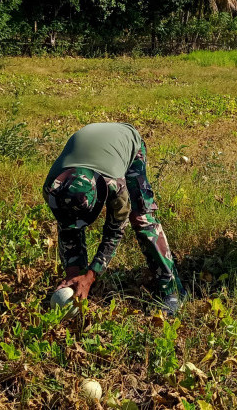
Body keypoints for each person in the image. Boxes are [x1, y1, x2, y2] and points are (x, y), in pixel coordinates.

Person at [43, 122, 185, 315]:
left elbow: (114, 232)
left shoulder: (114, 186)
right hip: (95, 143)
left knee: (141, 218)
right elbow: (67, 227)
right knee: (70, 222)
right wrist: (74, 273)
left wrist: (92, 275)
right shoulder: (54, 188)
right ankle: (79, 283)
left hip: (126, 141)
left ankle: (172, 290)